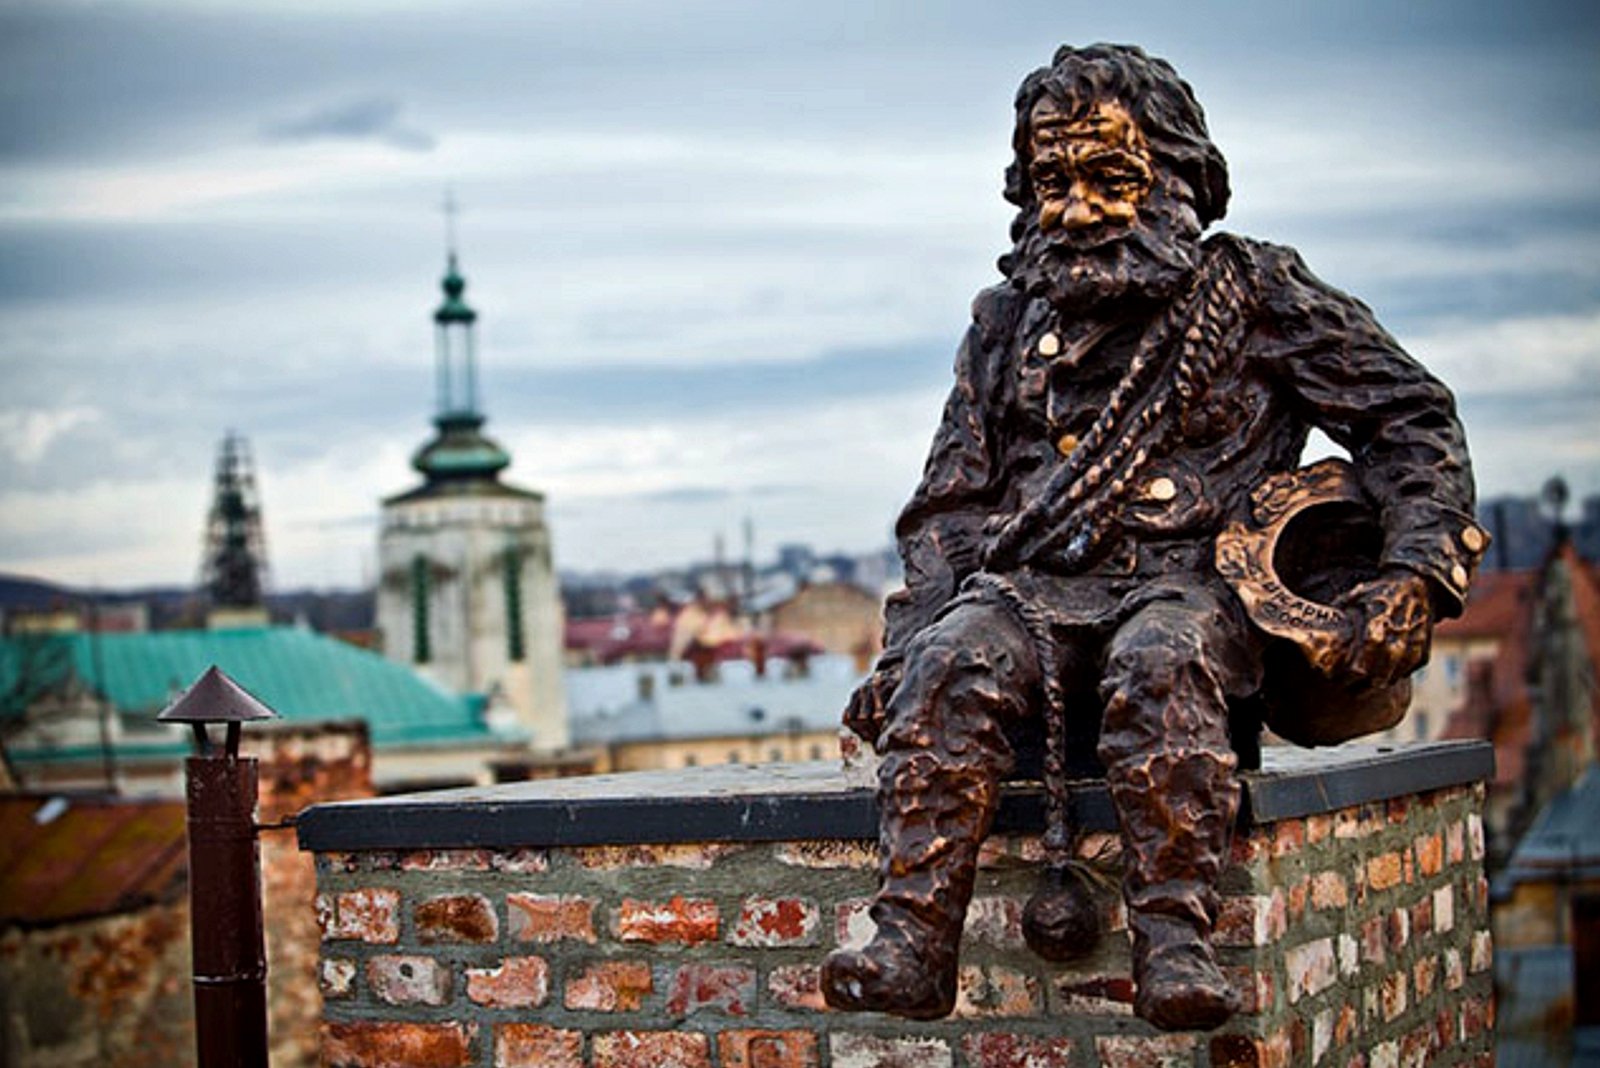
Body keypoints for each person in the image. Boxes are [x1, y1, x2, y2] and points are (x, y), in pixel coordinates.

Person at [820, 43, 1484, 1032]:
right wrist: (909, 645)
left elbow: (1408, 420)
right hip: (1029, 590)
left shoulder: (1252, 292)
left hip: (1192, 587)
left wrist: (1412, 571)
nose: (1078, 208)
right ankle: (913, 939)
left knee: (1162, 662)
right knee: (954, 663)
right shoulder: (1005, 323)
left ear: (1175, 178)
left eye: (1109, 178)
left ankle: (1174, 939)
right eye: (1054, 182)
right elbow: (950, 509)